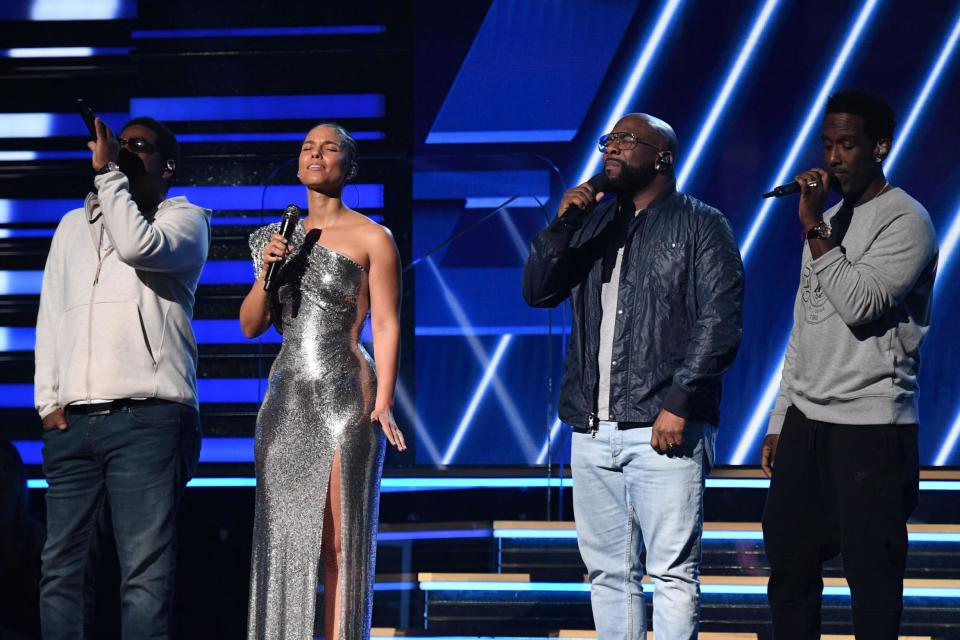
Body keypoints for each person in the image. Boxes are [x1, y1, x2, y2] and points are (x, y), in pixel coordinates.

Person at [522, 113, 744, 640]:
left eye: (627, 141)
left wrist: (680, 402)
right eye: (609, 141)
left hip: (663, 428)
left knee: (671, 573)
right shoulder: (594, 224)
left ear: (662, 157)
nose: (611, 150)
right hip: (592, 428)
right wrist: (562, 224)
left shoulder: (701, 224)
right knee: (608, 574)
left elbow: (721, 322)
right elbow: (538, 292)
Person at [760, 90, 938, 640]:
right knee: (789, 571)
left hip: (872, 429)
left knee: (872, 580)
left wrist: (814, 226)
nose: (832, 158)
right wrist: (779, 417)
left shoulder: (907, 220)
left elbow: (860, 304)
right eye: (827, 144)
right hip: (806, 426)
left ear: (880, 147)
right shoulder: (829, 223)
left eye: (847, 145)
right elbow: (805, 326)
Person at [34, 115, 210, 639]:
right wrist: (49, 402)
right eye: (119, 145)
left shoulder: (185, 221)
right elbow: (51, 314)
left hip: (149, 418)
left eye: (140, 147)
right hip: (74, 425)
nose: (126, 152)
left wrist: (109, 174)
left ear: (167, 166)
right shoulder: (71, 226)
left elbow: (137, 247)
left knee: (143, 573)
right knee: (60, 570)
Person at [240, 123, 405, 640]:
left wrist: (383, 403)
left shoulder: (372, 236)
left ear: (348, 167)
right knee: (283, 540)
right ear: (298, 165)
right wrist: (267, 274)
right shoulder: (272, 239)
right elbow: (250, 326)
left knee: (339, 541)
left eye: (329, 148)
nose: (316, 154)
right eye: (308, 148)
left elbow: (386, 323)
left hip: (344, 397)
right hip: (286, 398)